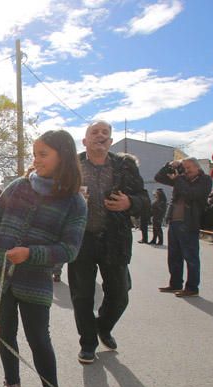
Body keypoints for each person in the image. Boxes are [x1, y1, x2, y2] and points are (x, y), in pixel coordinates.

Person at [0, 130, 87, 387]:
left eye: (43, 154)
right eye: (35, 154)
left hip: (35, 282)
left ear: (62, 156)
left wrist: (31, 253)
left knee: (39, 338)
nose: (36, 160)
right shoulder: (16, 187)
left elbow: (70, 250)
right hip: (2, 278)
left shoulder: (75, 203)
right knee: (6, 333)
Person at [68, 121, 148, 364]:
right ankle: (88, 343)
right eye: (95, 132)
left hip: (115, 240)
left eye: (105, 133)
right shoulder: (72, 166)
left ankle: (102, 326)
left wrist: (130, 203)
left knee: (120, 294)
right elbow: (54, 196)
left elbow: (144, 199)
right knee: (82, 295)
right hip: (81, 240)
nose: (100, 136)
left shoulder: (125, 166)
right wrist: (72, 198)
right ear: (84, 141)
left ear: (111, 141)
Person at [155, 157, 212, 297]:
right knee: (174, 256)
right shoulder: (181, 179)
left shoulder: (204, 180)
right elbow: (159, 177)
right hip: (174, 221)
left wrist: (178, 180)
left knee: (190, 256)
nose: (185, 171)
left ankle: (192, 287)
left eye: (188, 168)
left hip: (189, 222)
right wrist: (169, 164)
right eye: (184, 168)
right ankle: (175, 284)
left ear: (197, 167)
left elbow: (192, 194)